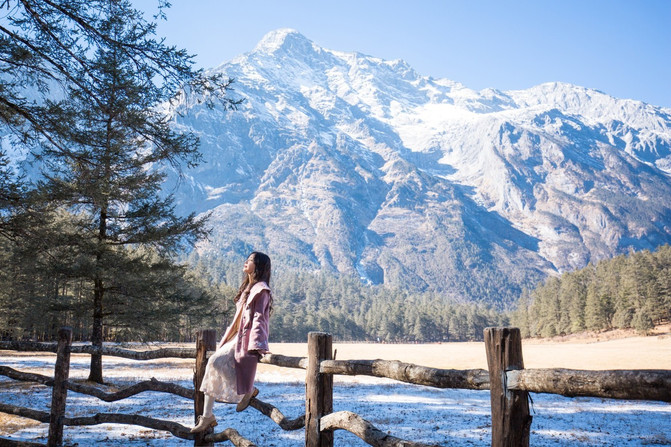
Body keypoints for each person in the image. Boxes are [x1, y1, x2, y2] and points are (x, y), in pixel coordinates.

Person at [191, 251, 273, 433]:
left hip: (247, 339)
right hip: (237, 337)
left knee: (214, 362)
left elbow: (260, 318)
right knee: (214, 364)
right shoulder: (248, 289)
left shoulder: (262, 290)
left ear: (258, 266)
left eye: (250, 260)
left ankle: (213, 412)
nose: (245, 262)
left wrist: (257, 344)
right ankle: (208, 416)